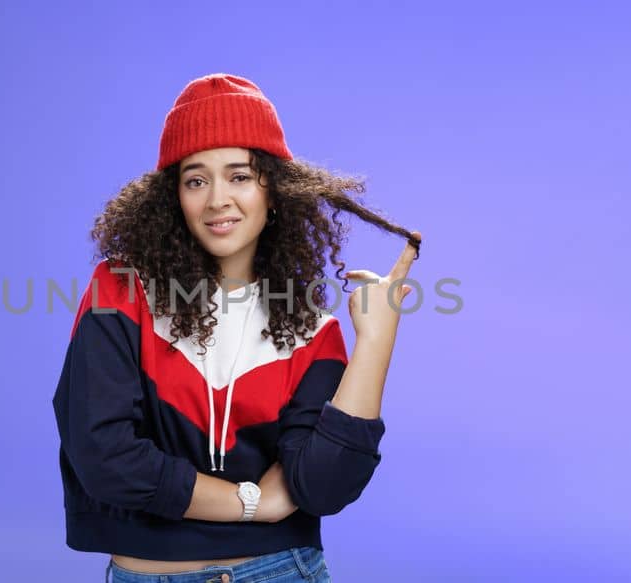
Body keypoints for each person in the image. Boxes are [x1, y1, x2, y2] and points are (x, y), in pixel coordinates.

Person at [52, 73, 422, 582]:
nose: (217, 199)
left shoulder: (310, 330)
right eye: (196, 179)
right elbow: (104, 459)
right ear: (173, 198)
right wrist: (253, 503)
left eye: (240, 176)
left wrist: (376, 342)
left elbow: (322, 488)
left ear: (275, 191)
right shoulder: (119, 291)